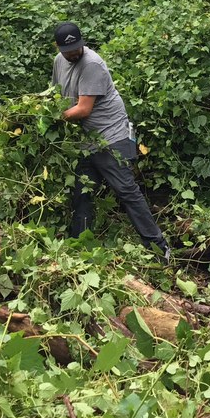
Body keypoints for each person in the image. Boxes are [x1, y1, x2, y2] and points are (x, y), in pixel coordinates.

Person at [50, 22, 172, 259]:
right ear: (58, 48)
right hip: (86, 141)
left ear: (82, 42)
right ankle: (78, 249)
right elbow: (57, 96)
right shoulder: (59, 62)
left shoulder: (92, 64)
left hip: (111, 138)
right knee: (82, 194)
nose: (74, 52)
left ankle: (159, 248)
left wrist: (52, 117)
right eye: (68, 50)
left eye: (77, 47)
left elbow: (83, 109)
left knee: (126, 191)